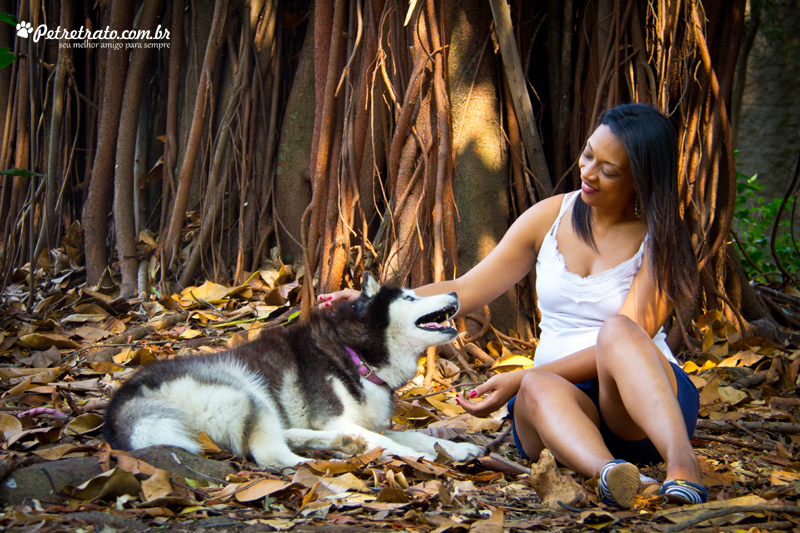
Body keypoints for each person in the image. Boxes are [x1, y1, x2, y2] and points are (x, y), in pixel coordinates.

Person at [318, 103, 706, 508]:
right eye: (589, 155)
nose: (589, 173)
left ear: (640, 179)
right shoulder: (551, 216)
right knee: (537, 385)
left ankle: (683, 464)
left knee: (618, 331)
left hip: (640, 410)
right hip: (560, 409)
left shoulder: (660, 238)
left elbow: (628, 338)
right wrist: (377, 303)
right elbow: (467, 288)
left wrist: (519, 378)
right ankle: (615, 475)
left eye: (608, 170)